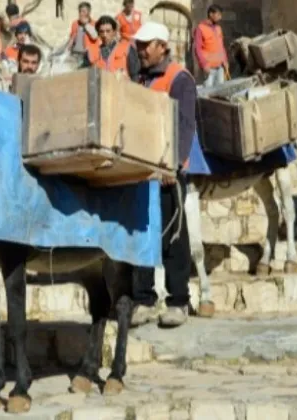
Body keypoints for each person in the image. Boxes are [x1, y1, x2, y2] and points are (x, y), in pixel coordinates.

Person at [131, 22, 196, 328]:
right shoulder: (140, 79)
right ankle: (143, 299)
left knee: (174, 236)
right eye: (139, 46)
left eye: (147, 45)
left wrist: (174, 164)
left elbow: (185, 124)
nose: (141, 50)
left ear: (163, 47)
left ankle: (179, 301)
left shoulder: (179, 79)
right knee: (142, 235)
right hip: (142, 169)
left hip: (168, 170)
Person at [88, 16, 141, 81]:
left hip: (123, 89)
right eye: (101, 31)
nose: (105, 35)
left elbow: (135, 75)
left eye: (108, 31)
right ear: (98, 33)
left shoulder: (127, 48)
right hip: (100, 90)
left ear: (114, 32)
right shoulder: (91, 52)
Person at [193, 4, 228, 87]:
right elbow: (197, 48)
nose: (220, 17)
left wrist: (225, 60)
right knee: (208, 94)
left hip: (220, 67)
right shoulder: (200, 28)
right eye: (218, 14)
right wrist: (204, 64)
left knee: (220, 93)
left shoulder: (218, 28)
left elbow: (221, 46)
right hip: (209, 68)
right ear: (211, 14)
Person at [65, 2, 99, 67]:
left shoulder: (95, 24)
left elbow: (94, 36)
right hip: (75, 55)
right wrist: (67, 51)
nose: (81, 13)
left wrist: (86, 24)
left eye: (83, 11)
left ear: (89, 12)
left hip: (88, 57)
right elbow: (72, 38)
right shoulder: (75, 23)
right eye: (80, 11)